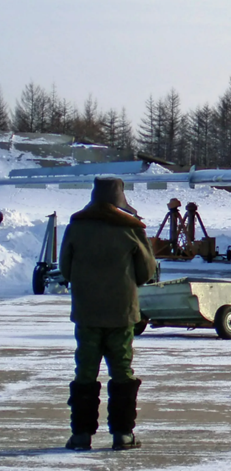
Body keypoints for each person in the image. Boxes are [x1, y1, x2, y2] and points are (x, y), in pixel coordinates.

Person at [59, 178, 157, 451]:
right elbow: (146, 273)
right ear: (120, 199)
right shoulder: (131, 229)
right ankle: (123, 435)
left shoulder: (76, 226)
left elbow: (65, 269)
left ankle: (80, 435)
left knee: (85, 373)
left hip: (87, 313)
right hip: (121, 313)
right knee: (122, 372)